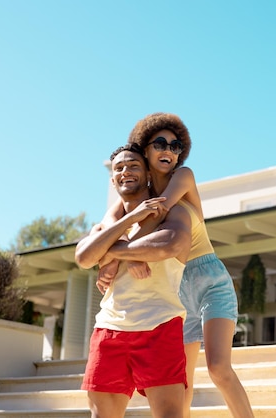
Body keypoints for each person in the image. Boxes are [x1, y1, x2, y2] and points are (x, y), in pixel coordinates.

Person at [101, 113, 255, 418]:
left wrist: (119, 256)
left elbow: (159, 213)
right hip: (174, 291)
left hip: (211, 282)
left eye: (176, 145)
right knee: (181, 382)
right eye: (160, 144)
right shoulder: (136, 194)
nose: (169, 150)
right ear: (144, 149)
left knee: (219, 368)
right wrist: (112, 256)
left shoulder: (182, 178)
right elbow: (107, 227)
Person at [75, 143, 196, 418]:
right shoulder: (107, 226)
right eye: (119, 167)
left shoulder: (173, 212)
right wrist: (132, 219)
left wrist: (113, 253)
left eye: (133, 165)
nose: (125, 171)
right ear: (112, 178)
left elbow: (170, 245)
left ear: (148, 173)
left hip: (160, 325)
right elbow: (83, 258)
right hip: (109, 330)